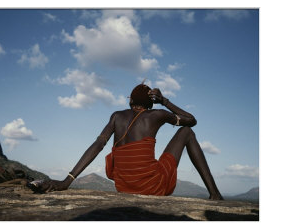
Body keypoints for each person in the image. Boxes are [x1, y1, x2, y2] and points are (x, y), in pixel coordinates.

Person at [28, 84, 223, 200]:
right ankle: (214, 194)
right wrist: (164, 101)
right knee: (186, 132)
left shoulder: (116, 116)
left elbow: (98, 145)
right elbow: (191, 120)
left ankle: (214, 193)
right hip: (153, 186)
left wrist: (67, 181)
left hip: (124, 186)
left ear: (130, 101)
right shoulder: (157, 114)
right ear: (150, 104)